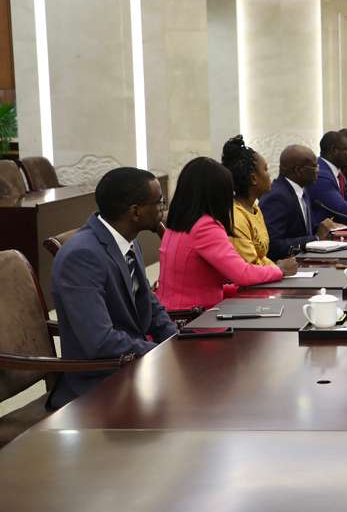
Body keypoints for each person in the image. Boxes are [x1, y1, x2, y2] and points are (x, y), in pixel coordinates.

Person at [50, 167, 177, 408]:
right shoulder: (81, 256)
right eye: (159, 202)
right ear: (136, 212)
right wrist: (159, 353)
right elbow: (100, 341)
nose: (163, 208)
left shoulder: (129, 241)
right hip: (99, 383)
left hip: (133, 367)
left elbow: (149, 304)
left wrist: (175, 341)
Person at [157, 157, 296, 311]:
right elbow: (241, 274)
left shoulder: (178, 223)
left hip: (175, 313)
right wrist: (279, 269)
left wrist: (233, 290)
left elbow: (198, 281)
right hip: (195, 318)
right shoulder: (205, 227)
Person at [261, 144, 340, 260]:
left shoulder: (301, 190)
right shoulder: (276, 197)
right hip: (286, 265)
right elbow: (274, 246)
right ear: (299, 170)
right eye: (314, 166)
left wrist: (325, 228)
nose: (318, 170)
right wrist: (316, 239)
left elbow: (301, 231)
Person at [221, 135, 288, 267]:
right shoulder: (236, 217)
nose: (269, 175)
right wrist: (278, 268)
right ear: (253, 179)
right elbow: (249, 265)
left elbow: (261, 257)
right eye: (266, 169)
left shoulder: (254, 208)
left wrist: (277, 266)